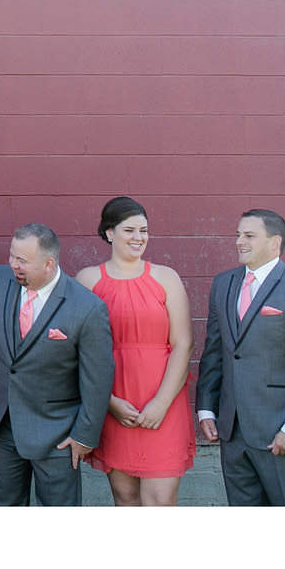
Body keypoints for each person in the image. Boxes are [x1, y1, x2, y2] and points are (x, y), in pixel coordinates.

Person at [0, 223, 113, 506]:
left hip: (57, 435)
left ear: (49, 264)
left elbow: (97, 380)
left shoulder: (87, 308)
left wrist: (84, 436)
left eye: (22, 260)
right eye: (12, 255)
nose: (13, 265)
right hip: (0, 427)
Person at [197, 208, 285, 505]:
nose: (239, 241)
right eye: (238, 235)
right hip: (233, 434)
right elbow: (215, 351)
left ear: (274, 242)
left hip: (283, 432)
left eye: (249, 236)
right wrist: (206, 408)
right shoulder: (223, 284)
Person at [73, 197, 194, 506]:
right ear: (109, 233)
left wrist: (161, 403)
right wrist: (108, 402)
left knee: (160, 500)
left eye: (144, 230)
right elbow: (77, 350)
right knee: (125, 497)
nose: (138, 237)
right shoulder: (88, 280)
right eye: (129, 230)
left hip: (163, 401)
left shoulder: (166, 277)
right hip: (113, 401)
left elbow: (183, 343)